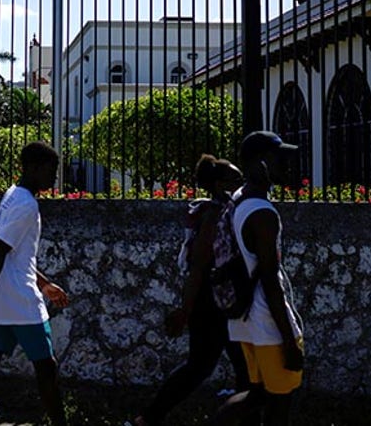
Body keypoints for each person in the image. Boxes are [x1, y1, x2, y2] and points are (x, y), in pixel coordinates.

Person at [129, 155, 253, 426]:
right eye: (234, 178)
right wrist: (186, 310)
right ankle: (149, 417)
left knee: (234, 366)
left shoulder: (225, 211)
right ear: (219, 184)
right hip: (212, 303)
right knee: (204, 367)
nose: (239, 183)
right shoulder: (212, 215)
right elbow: (198, 265)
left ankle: (150, 418)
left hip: (221, 301)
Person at [0, 141, 70, 426]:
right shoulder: (26, 204)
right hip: (22, 302)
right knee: (47, 369)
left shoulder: (12, 195)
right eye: (50, 169)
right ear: (33, 168)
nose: (53, 176)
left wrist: (45, 285)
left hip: (3, 300)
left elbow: (16, 255)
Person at [215, 131, 305, 426]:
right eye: (279, 159)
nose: (286, 165)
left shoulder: (240, 200)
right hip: (267, 321)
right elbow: (270, 280)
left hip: (246, 319)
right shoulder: (263, 214)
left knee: (257, 395)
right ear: (260, 163)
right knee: (279, 402)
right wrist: (289, 341)